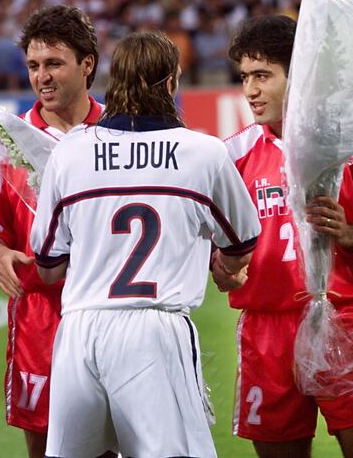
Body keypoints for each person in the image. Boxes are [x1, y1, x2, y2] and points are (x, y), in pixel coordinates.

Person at [29, 32, 261, 457]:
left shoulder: (71, 152)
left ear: (112, 80)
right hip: (154, 331)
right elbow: (243, 241)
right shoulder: (203, 152)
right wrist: (226, 268)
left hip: (79, 330)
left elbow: (47, 265)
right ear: (171, 82)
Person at [217, 15, 353, 458]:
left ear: (297, 74)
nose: (250, 90)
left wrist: (348, 233)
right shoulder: (232, 156)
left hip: (338, 317)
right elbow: (217, 249)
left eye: (263, 75)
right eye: (245, 77)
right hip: (265, 331)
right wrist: (222, 269)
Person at [0, 5, 103, 458]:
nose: (42, 76)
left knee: (113, 443)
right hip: (39, 317)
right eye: (34, 65)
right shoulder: (8, 141)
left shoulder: (122, 134)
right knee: (43, 445)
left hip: (108, 312)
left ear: (87, 65)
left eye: (54, 63)